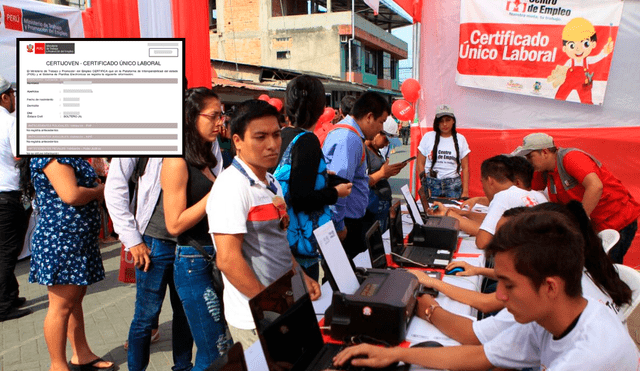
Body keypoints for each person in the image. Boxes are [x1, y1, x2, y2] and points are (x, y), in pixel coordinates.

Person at [333, 211, 640, 370]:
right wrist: (391, 354)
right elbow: (484, 356)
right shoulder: (552, 315)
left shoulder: (587, 358)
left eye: (509, 285)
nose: (500, 297)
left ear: (550, 287)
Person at [411, 201, 632, 345]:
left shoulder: (541, 297)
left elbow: (478, 324)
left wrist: (430, 307)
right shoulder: (581, 270)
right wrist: (478, 269)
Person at [208, 99, 321, 350]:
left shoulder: (271, 182)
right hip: (255, 318)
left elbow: (278, 242)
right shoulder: (231, 187)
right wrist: (269, 307)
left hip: (281, 305)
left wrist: (301, 277)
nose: (272, 145)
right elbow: (227, 260)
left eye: (276, 135)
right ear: (237, 141)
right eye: (260, 137)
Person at [161, 87, 231, 370]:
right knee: (211, 349)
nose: (220, 123)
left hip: (216, 256)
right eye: (213, 116)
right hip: (193, 262)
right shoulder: (176, 161)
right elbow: (174, 223)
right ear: (191, 117)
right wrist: (215, 195)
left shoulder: (209, 158)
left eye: (222, 116)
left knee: (223, 344)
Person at [29, 156, 115, 371]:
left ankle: (82, 354)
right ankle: (57, 366)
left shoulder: (65, 153)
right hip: (61, 240)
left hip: (76, 239)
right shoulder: (51, 155)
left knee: (73, 301)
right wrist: (98, 191)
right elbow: (71, 194)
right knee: (60, 307)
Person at [106, 165, 194, 369]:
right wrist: (132, 239)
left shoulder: (203, 138)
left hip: (190, 242)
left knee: (185, 313)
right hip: (154, 243)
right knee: (146, 316)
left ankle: (183, 367)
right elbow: (114, 186)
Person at [512, 132, 640, 263]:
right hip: (596, 225)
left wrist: (577, 222)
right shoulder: (544, 171)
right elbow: (524, 190)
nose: (528, 162)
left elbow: (595, 186)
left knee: (606, 271)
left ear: (544, 152)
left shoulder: (572, 158)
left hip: (618, 220)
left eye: (530, 156)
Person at [273, 75, 352, 281]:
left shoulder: (283, 135)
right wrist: (336, 192)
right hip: (300, 247)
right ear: (320, 108)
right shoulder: (307, 141)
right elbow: (302, 198)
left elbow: (292, 181)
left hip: (280, 241)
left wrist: (323, 176)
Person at [322, 92, 390, 258]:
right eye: (381, 122)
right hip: (346, 223)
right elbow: (340, 186)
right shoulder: (349, 138)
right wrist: (339, 225)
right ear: (369, 117)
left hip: (348, 219)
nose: (381, 129)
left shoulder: (348, 133)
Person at [433, 155, 547, 249]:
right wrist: (466, 214)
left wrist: (448, 214)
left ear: (489, 180)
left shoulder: (503, 197)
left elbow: (483, 241)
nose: (484, 189)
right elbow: (494, 222)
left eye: (482, 183)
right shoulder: (536, 195)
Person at [0, 75, 31, 322]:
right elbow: (20, 157)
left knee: (4, 250)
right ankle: (3, 305)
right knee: (8, 251)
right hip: (7, 194)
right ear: (4, 97)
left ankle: (10, 294)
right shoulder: (9, 122)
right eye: (13, 95)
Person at [547, 17, 614, 105]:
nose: (578, 49)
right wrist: (559, 74)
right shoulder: (570, 61)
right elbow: (562, 69)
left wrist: (604, 52)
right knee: (559, 96)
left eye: (585, 44)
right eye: (572, 45)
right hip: (568, 82)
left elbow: (598, 57)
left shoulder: (587, 60)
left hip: (583, 84)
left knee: (587, 101)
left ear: (593, 44)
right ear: (564, 48)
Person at [416, 104, 470, 199]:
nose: (445, 124)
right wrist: (425, 186)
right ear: (436, 123)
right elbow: (420, 164)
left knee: (452, 213)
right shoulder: (428, 137)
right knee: (431, 212)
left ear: (453, 121)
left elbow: (465, 168)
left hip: (453, 185)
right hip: (432, 183)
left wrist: (465, 191)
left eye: (448, 120)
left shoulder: (461, 139)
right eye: (441, 121)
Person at [365, 127, 406, 232]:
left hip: (382, 200)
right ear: (377, 134)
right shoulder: (364, 151)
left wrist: (390, 172)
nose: (387, 144)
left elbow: (380, 175)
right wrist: (382, 173)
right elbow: (363, 182)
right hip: (374, 202)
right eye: (386, 140)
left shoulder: (375, 149)